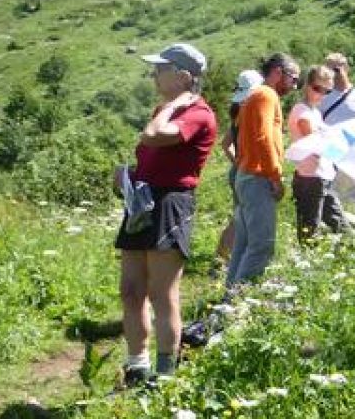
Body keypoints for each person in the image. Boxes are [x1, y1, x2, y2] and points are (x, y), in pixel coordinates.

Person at [116, 43, 217, 385]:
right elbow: (151, 154)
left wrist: (174, 105)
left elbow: (154, 136)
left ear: (183, 77)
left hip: (170, 203)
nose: (153, 75)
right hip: (142, 202)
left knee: (162, 292)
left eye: (161, 69)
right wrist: (128, 177)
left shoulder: (197, 113)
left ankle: (166, 372)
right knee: (131, 289)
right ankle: (136, 365)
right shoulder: (167, 109)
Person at [225, 53, 299, 288]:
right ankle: (238, 304)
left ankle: (229, 299)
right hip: (257, 178)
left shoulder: (254, 96)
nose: (295, 85)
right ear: (278, 72)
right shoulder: (266, 95)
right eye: (293, 79)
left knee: (244, 244)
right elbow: (263, 138)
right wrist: (275, 176)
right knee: (262, 245)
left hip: (247, 175)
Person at [289, 65, 347, 242]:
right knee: (310, 230)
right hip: (310, 178)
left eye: (327, 91)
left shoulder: (314, 112)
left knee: (339, 223)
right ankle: (306, 266)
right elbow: (315, 143)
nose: (321, 95)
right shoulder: (302, 112)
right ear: (307, 85)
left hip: (322, 175)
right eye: (317, 89)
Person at [214, 69, 263, 271]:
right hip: (246, 170)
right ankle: (222, 258)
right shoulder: (247, 113)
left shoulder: (236, 113)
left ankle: (224, 257)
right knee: (240, 218)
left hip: (238, 169)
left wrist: (236, 162)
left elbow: (225, 144)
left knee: (239, 216)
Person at [318, 52, 355, 126]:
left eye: (336, 70)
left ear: (346, 68)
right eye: (329, 70)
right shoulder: (321, 96)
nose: (333, 74)